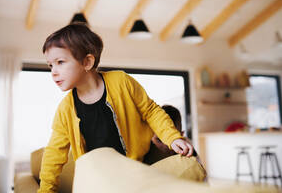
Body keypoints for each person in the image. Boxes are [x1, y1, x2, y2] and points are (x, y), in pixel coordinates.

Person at [39, 22, 194, 192]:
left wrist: (173, 137)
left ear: (87, 62)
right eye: (50, 65)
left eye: (60, 62)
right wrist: (46, 190)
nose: (53, 71)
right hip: (96, 179)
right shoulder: (65, 109)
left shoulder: (121, 81)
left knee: (190, 166)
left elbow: (151, 111)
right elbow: (54, 153)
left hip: (132, 170)